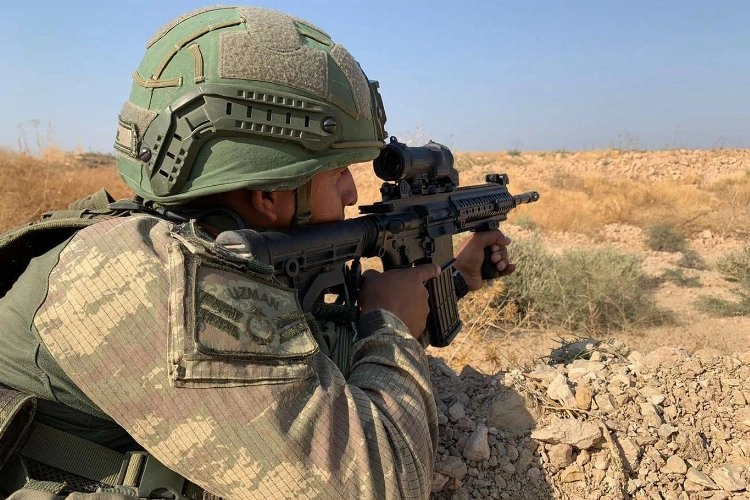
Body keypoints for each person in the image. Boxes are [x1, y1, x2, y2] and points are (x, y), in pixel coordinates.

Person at [0, 6, 514, 499]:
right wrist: (390, 325)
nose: (353, 193)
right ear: (270, 193)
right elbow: (380, 486)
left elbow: (307, 360)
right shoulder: (144, 277)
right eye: (339, 172)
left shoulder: (203, 247)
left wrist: (455, 279)